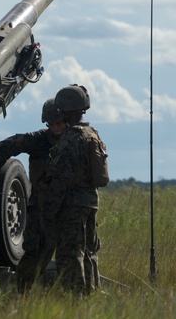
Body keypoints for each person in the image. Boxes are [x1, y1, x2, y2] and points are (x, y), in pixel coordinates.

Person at [0, 98, 67, 291]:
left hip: (68, 209)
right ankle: (21, 296)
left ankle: (75, 298)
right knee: (32, 257)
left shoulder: (77, 140)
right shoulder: (37, 140)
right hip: (41, 209)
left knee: (72, 256)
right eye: (51, 124)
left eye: (59, 123)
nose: (55, 128)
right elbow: (5, 147)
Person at [38, 84, 109, 294]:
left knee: (70, 254)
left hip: (72, 206)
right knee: (89, 251)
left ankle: (75, 299)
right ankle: (91, 294)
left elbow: (61, 179)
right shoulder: (92, 134)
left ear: (66, 110)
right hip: (90, 202)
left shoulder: (71, 138)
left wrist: (49, 212)